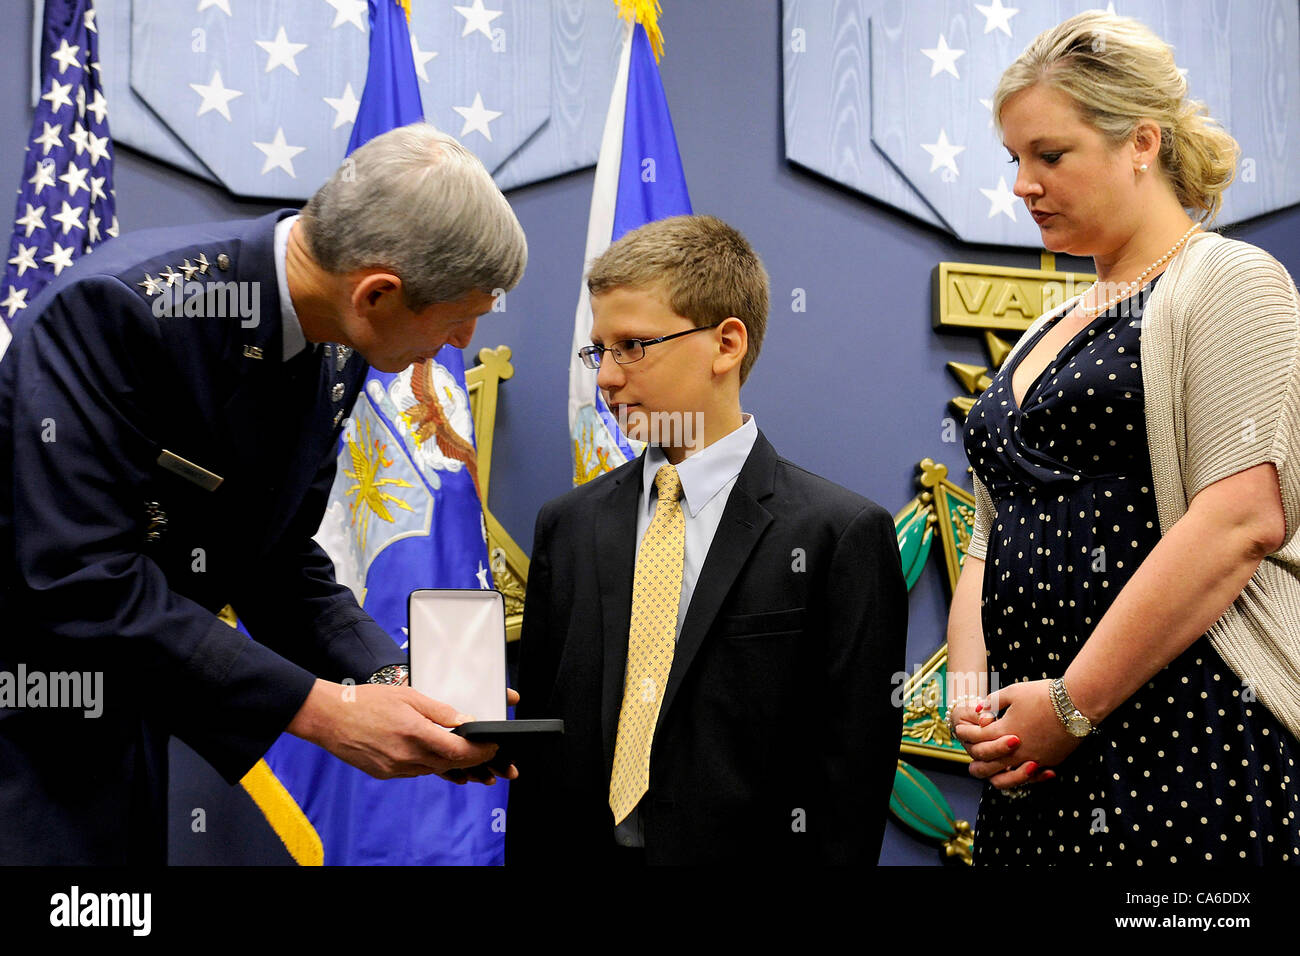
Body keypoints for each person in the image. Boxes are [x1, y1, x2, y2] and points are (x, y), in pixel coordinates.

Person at [0, 122, 528, 864]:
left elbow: (271, 557)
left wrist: (390, 679)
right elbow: (80, 583)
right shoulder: (122, 313)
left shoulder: (337, 346)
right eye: (455, 323)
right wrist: (325, 713)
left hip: (125, 728)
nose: (460, 345)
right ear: (378, 293)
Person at [947, 11, 1300, 864]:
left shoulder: (1233, 280)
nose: (1024, 185)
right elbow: (989, 533)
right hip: (1035, 758)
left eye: (1050, 155)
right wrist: (977, 706)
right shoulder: (1046, 329)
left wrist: (1072, 704)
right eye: (1015, 161)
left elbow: (1239, 519)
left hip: (1189, 732)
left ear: (1142, 142)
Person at [505, 215, 907, 865]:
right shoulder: (568, 525)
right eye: (597, 350)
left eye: (633, 347)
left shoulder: (837, 535)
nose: (605, 378)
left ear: (725, 345)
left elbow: (850, 780)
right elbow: (545, 749)